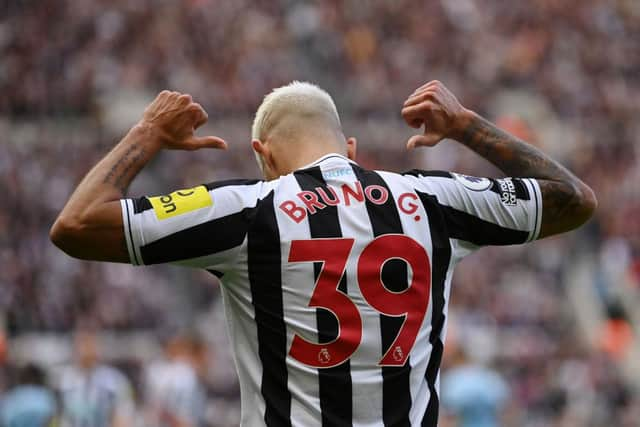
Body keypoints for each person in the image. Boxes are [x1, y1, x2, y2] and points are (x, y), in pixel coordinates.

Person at [50, 80, 596, 426]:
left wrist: (147, 133)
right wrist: (466, 127)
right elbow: (573, 200)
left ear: (262, 156)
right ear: (350, 148)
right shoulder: (433, 201)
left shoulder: (247, 208)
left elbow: (76, 224)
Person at [56, 330, 135, 427]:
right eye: (82, 342)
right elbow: (58, 416)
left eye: (90, 343)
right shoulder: (63, 380)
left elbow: (123, 416)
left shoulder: (114, 380)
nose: (86, 349)